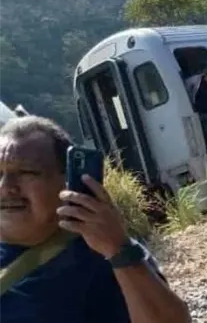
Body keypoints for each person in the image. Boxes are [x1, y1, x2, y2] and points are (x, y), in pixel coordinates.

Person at [0, 116, 191, 323]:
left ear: (67, 182)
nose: (6, 186)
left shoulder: (102, 257)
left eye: (26, 172)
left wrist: (119, 251)